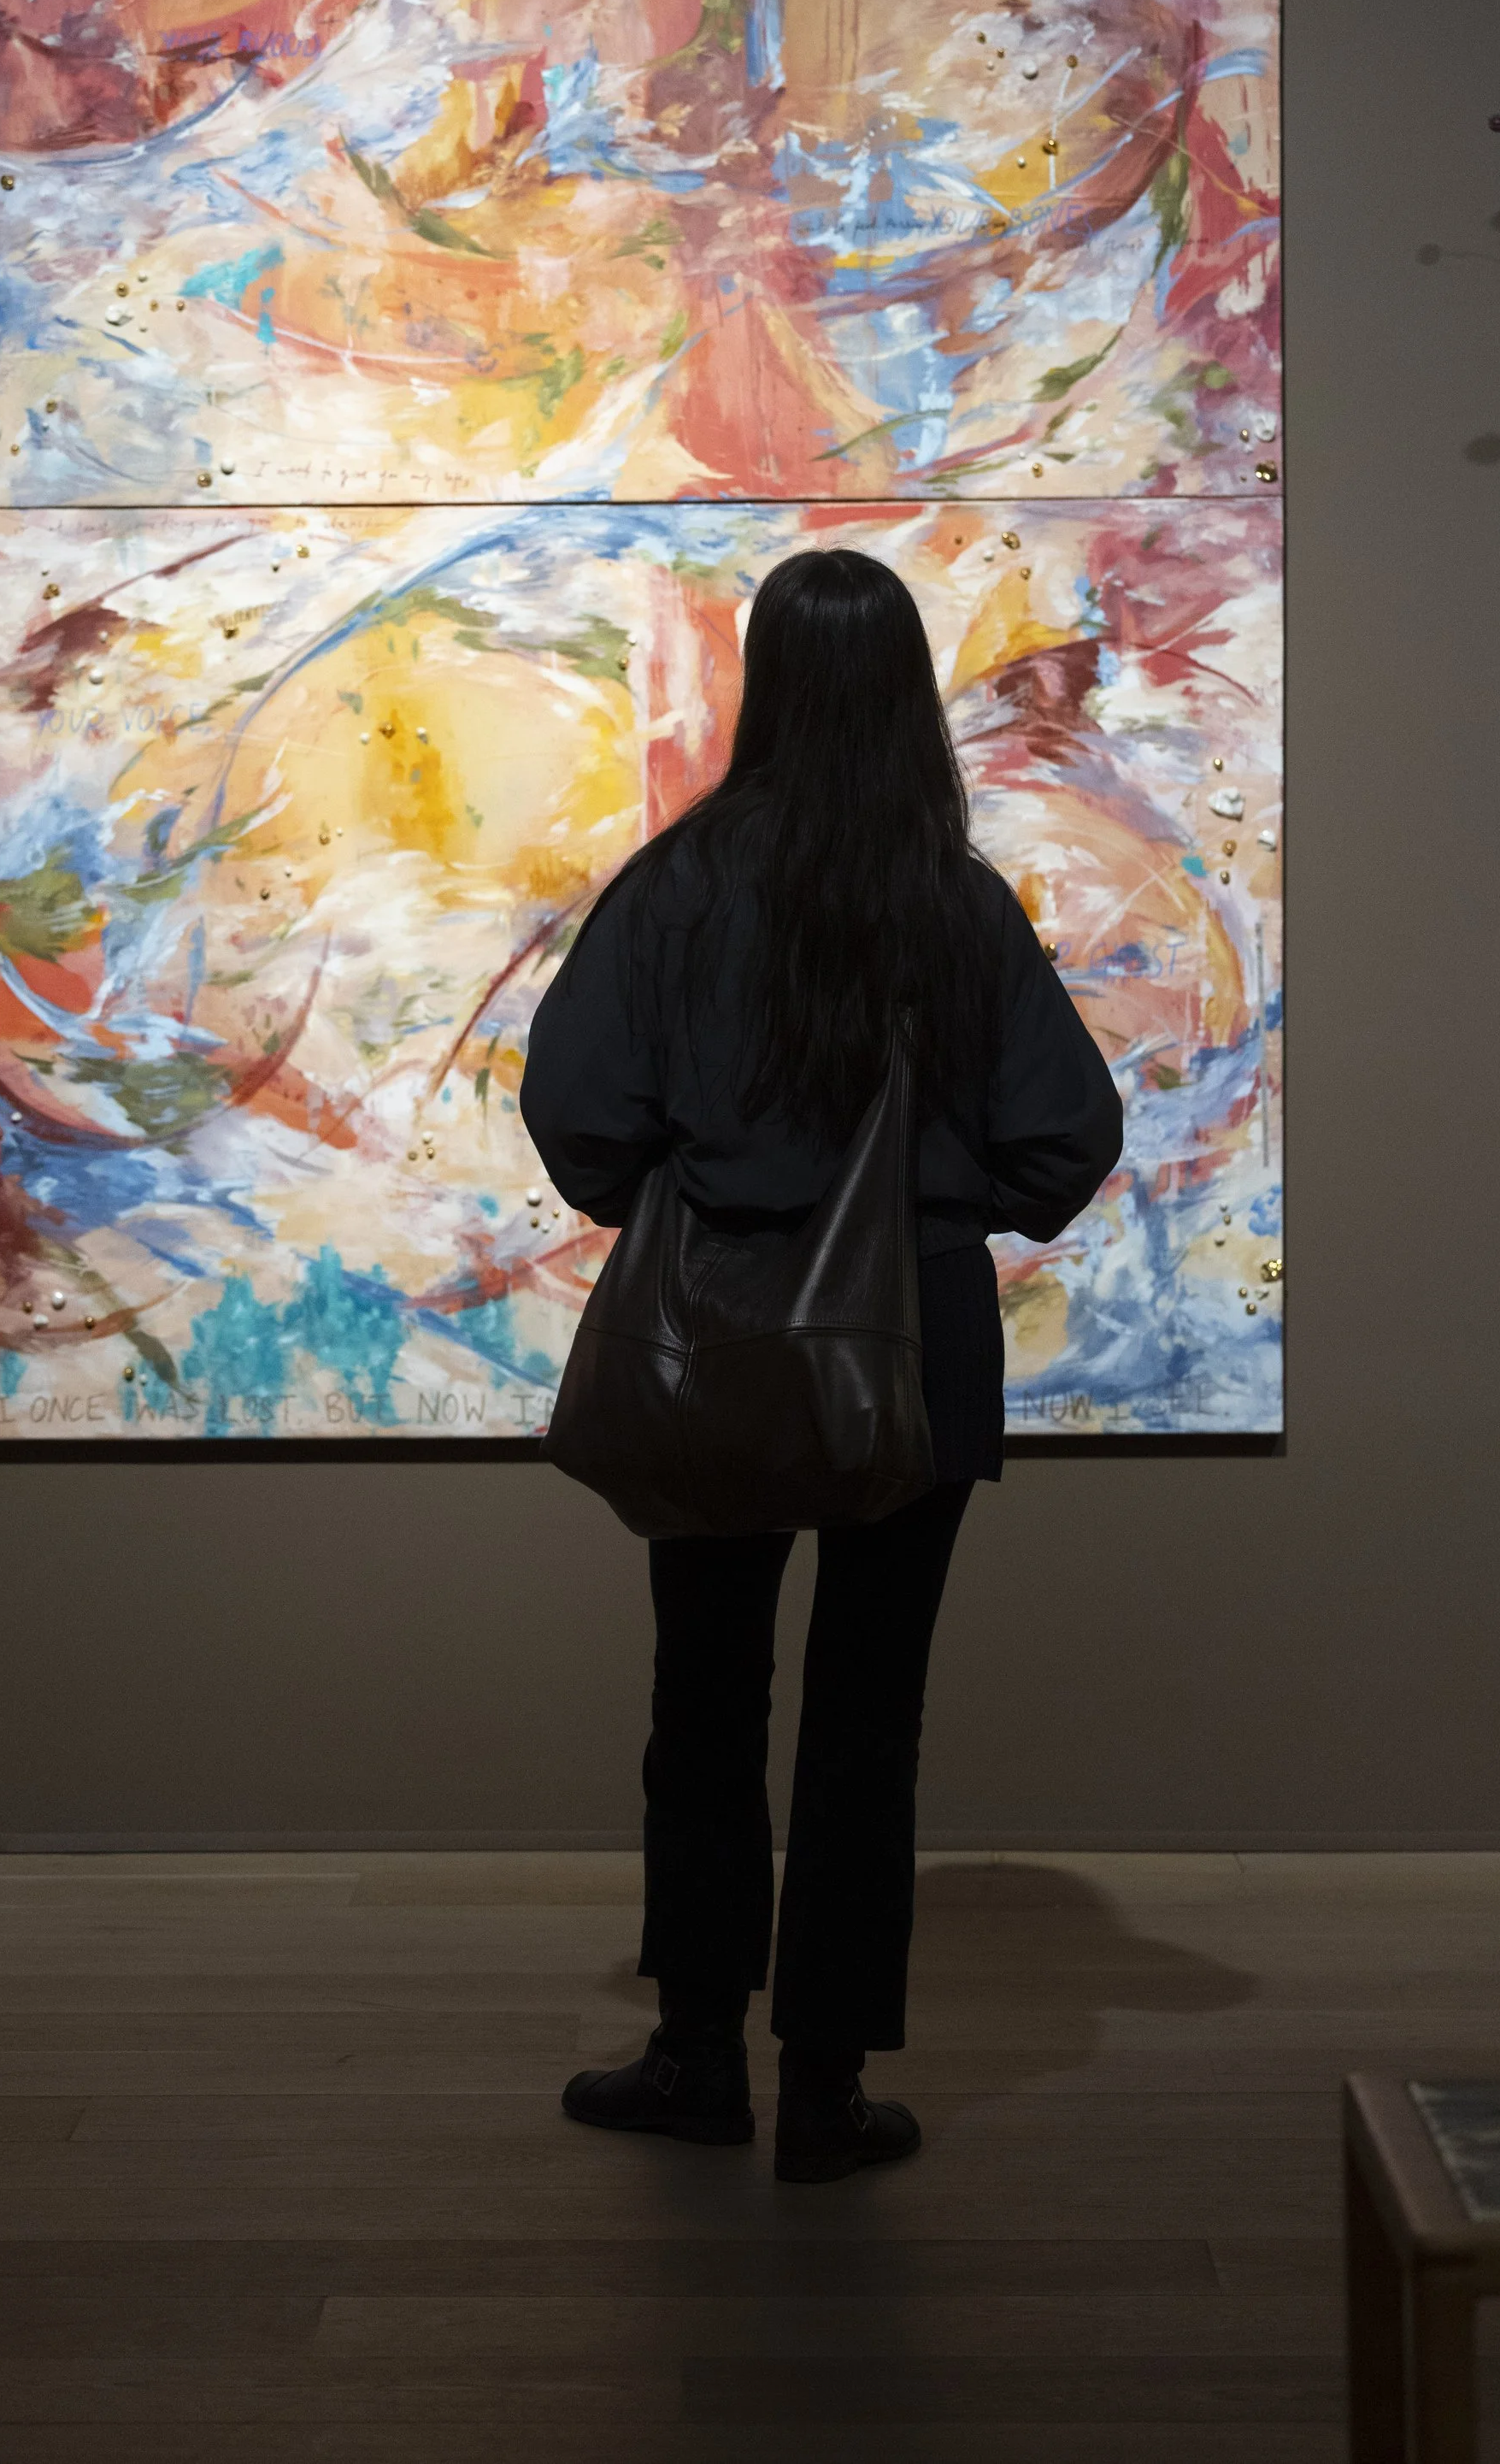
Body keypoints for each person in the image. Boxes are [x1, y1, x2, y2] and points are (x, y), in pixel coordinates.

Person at [520, 546, 1124, 2184]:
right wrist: (940, 1218)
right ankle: (830, 2092)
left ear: (769, 684)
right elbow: (1069, 1132)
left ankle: (696, 2058)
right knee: (871, 1719)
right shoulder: (953, 900)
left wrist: (686, 1196)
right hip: (910, 1356)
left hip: (712, 1344)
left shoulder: (681, 885)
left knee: (704, 1697)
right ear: (906, 690)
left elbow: (577, 1110)